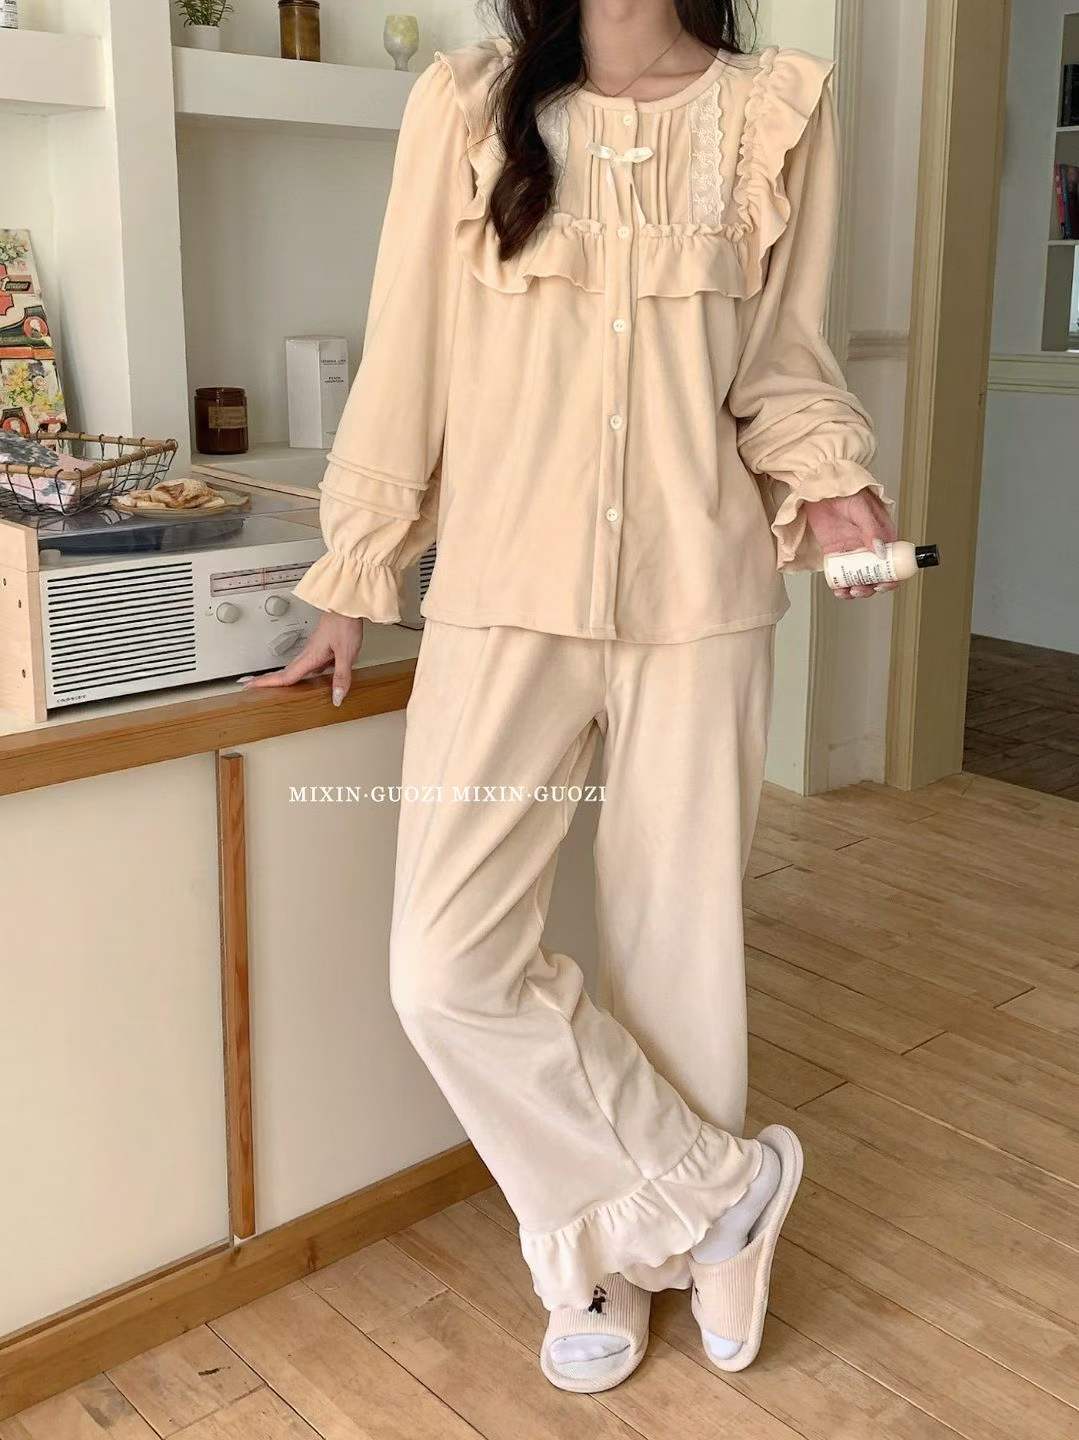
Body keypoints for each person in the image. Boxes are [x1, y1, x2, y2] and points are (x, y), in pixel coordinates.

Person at [249, 0, 898, 1394]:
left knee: (681, 947)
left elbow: (783, 358)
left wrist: (833, 485)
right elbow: (407, 352)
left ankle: (633, 1263)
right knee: (444, 966)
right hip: (500, 595)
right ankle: (712, 1194)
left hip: (699, 594)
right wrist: (355, 571)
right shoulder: (465, 107)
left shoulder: (775, 110)